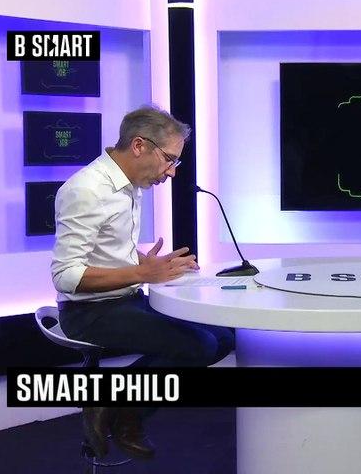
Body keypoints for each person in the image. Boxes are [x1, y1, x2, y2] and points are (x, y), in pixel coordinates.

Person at [51, 106, 235, 459]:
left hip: (125, 299)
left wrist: (144, 262)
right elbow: (66, 275)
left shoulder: (128, 185)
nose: (172, 171)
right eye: (169, 159)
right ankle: (125, 413)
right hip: (88, 312)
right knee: (199, 346)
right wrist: (142, 274)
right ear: (139, 146)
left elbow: (107, 247)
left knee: (224, 337)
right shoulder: (86, 190)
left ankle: (114, 407)